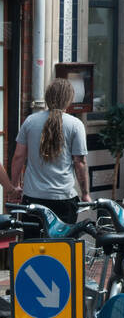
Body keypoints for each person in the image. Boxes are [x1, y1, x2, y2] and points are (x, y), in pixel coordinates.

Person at [11, 77, 91, 224]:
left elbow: (18, 156)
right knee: (63, 245)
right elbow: (80, 163)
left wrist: (14, 186)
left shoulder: (30, 121)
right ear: (69, 99)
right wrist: (85, 193)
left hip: (33, 197)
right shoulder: (75, 125)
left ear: (47, 97)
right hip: (64, 198)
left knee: (32, 244)